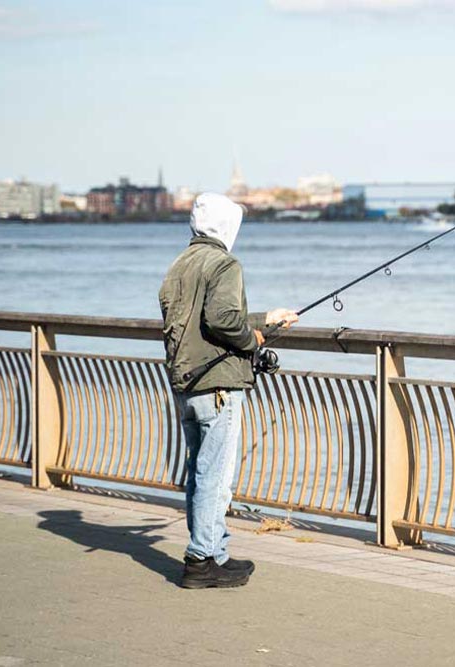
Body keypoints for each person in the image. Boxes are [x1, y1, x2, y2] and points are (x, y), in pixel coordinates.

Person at [159, 192, 298, 589]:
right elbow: (221, 318)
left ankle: (215, 552)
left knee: (199, 470)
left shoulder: (180, 264)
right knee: (215, 475)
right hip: (218, 384)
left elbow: (203, 319)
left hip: (186, 383)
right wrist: (253, 340)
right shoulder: (224, 263)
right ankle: (200, 560)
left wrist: (265, 319)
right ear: (226, 224)